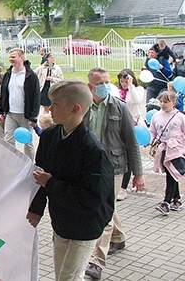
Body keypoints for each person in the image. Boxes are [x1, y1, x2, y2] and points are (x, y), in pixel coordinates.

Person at [27, 79, 115, 281]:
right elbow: (40, 173)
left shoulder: (93, 152)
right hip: (61, 221)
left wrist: (51, 183)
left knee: (69, 277)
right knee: (63, 275)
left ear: (75, 109)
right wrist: (36, 208)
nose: (49, 109)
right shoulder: (49, 136)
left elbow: (92, 197)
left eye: (56, 104)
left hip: (86, 226)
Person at [84, 67, 145, 280]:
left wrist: (138, 173)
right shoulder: (83, 108)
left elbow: (132, 142)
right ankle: (118, 238)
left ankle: (96, 261)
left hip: (115, 167)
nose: (105, 85)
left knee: (103, 211)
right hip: (91, 167)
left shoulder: (119, 108)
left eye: (107, 81)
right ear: (90, 86)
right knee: (107, 204)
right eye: (100, 82)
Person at [0, 48, 40, 160]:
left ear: (21, 58)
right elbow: (3, 94)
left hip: (26, 115)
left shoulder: (31, 76)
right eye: (10, 57)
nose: (11, 59)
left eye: (13, 57)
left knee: (28, 142)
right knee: (8, 140)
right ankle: (11, 163)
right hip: (11, 114)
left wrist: (34, 116)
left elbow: (36, 97)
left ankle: (29, 165)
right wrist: (0, 111)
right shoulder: (8, 74)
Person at [149, 91, 185, 215]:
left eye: (166, 101)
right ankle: (177, 199)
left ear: (174, 103)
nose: (163, 104)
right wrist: (150, 141)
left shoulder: (180, 117)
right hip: (163, 149)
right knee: (171, 173)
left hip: (176, 149)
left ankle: (166, 202)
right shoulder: (156, 116)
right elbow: (152, 131)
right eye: (161, 101)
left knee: (171, 173)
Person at [116, 69, 146, 201]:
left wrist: (131, 85)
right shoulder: (118, 91)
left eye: (125, 81)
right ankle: (120, 185)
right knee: (121, 154)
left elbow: (136, 101)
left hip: (134, 124)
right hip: (119, 125)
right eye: (121, 81)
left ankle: (123, 188)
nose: (123, 84)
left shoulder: (138, 90)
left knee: (130, 155)